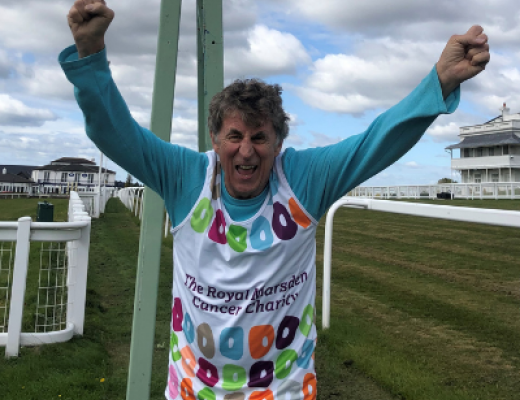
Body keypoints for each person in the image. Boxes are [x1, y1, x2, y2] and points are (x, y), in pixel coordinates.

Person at [61, 1, 490, 399]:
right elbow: (115, 134)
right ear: (215, 139)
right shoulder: (187, 177)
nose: (246, 151)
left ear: (279, 141)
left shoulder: (302, 179)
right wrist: (91, 52)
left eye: (260, 137)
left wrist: (441, 80)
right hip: (193, 390)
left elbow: (376, 141)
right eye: (235, 136)